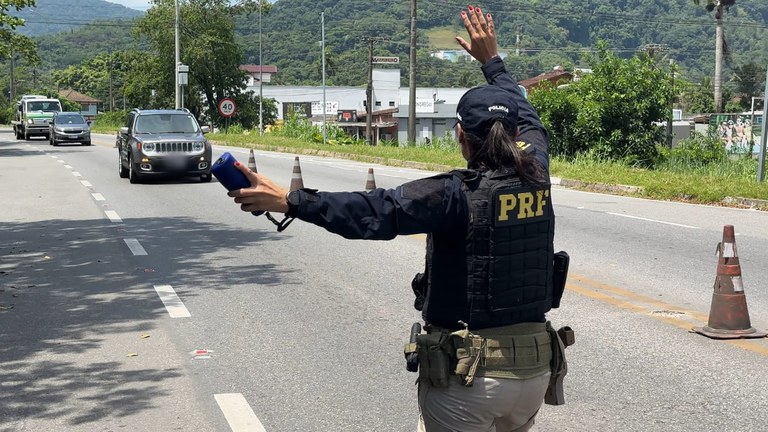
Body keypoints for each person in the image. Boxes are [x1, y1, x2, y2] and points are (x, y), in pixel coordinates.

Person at [227, 6, 569, 432]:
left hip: (470, 379)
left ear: (459, 135)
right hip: (535, 373)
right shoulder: (537, 169)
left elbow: (374, 211)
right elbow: (526, 111)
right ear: (518, 135)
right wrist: (492, 62)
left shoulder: (453, 194)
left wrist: (289, 200)